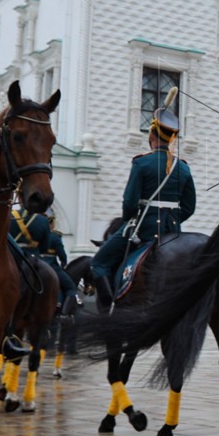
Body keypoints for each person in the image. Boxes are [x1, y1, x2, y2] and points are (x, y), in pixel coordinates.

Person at [89, 105, 194, 306]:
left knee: (99, 263)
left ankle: (109, 311)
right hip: (172, 231)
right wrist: (171, 219)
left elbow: (129, 202)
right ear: (172, 138)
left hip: (142, 228)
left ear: (151, 136)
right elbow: (189, 207)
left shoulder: (141, 163)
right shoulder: (183, 168)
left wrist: (130, 219)